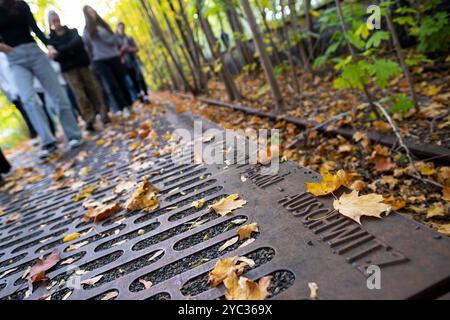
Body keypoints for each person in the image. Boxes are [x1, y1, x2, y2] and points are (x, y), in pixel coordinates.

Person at [0, 0, 83, 159]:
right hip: (14, 58)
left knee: (57, 93)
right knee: (28, 99)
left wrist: (49, 45)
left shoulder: (20, 5)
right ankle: (48, 142)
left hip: (34, 52)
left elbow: (35, 28)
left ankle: (73, 135)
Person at [47, 11, 110, 132]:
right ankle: (89, 120)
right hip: (69, 71)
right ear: (50, 23)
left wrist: (62, 51)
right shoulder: (51, 40)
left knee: (93, 89)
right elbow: (57, 56)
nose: (56, 23)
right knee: (80, 95)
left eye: (57, 19)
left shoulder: (73, 31)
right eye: (53, 21)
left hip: (83, 65)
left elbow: (78, 43)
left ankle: (103, 114)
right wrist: (68, 50)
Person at [82, 5, 132, 117]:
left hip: (114, 57)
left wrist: (99, 32)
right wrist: (92, 64)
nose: (92, 13)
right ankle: (122, 106)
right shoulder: (86, 31)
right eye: (89, 12)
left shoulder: (104, 27)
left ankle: (129, 104)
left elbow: (113, 41)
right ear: (86, 15)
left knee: (121, 82)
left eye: (92, 11)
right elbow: (88, 48)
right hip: (100, 61)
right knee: (111, 84)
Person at [0, 52, 37, 139]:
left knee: (31, 107)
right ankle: (33, 132)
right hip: (11, 92)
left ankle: (45, 129)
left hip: (20, 86)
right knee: (23, 111)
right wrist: (9, 91)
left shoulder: (5, 55)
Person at [116, 22, 149, 103]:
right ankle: (140, 97)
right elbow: (116, 54)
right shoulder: (115, 40)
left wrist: (129, 49)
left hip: (134, 61)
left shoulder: (128, 38)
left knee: (140, 78)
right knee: (133, 80)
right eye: (120, 28)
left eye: (123, 28)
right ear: (117, 28)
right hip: (125, 64)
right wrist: (122, 50)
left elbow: (136, 48)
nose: (122, 29)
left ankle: (146, 96)